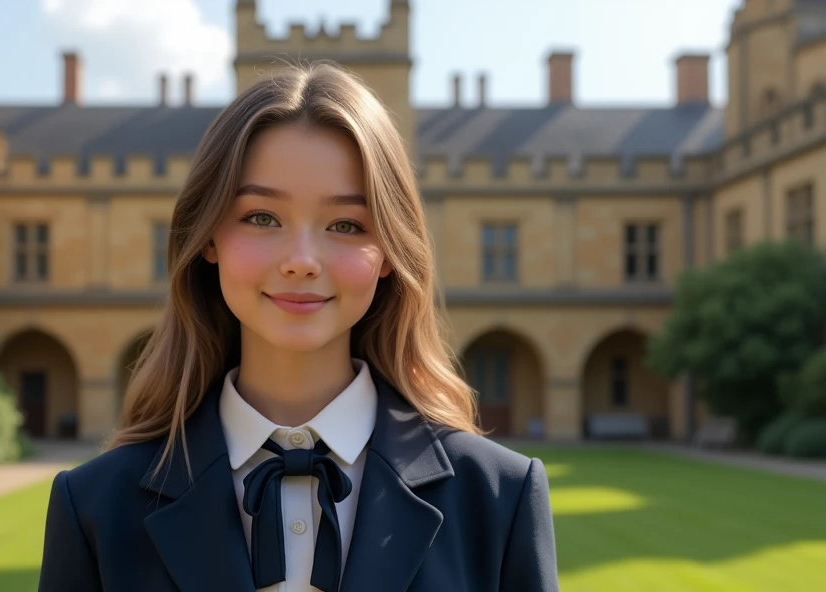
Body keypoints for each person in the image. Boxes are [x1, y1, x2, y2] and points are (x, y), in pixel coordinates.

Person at [37, 61, 558, 592]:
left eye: (346, 224)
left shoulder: (501, 497)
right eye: (262, 217)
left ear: (388, 254)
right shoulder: (95, 506)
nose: (301, 260)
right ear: (209, 237)